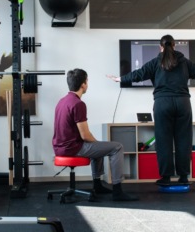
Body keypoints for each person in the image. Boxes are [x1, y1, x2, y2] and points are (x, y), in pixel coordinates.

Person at [108, 34, 195, 186]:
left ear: (160, 46)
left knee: (163, 141)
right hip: (183, 103)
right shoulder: (184, 61)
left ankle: (166, 177)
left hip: (162, 104)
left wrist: (120, 78)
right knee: (184, 140)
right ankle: (183, 177)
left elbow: (138, 75)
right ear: (174, 45)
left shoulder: (155, 62)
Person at [53, 68, 138, 201]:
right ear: (83, 84)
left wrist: (97, 144)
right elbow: (85, 136)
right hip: (72, 148)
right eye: (87, 81)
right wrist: (97, 143)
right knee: (117, 147)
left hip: (59, 147)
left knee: (97, 146)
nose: (87, 84)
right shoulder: (78, 104)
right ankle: (117, 191)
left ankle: (97, 186)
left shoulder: (62, 101)